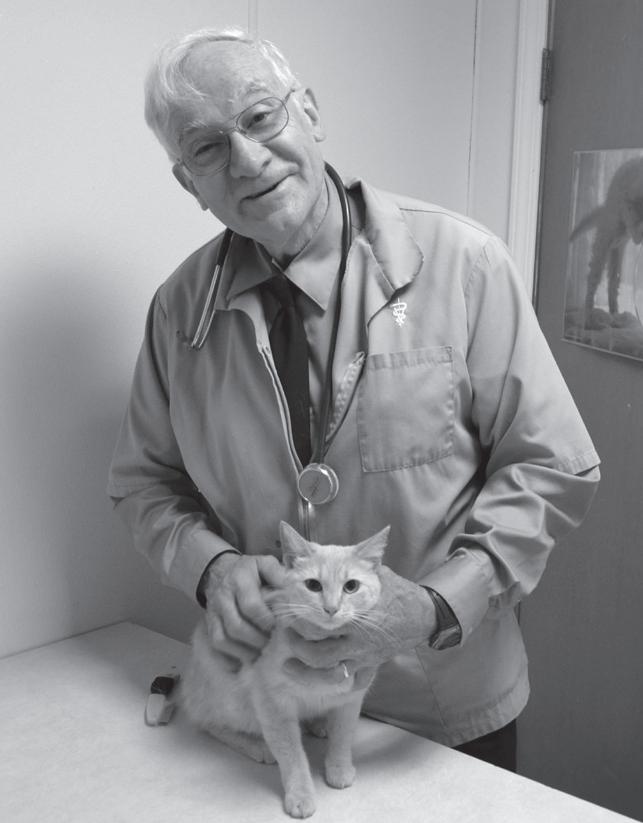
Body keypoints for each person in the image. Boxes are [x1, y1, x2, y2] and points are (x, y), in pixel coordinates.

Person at [108, 26, 600, 772]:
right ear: (188, 183)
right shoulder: (178, 312)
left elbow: (552, 466)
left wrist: (438, 605)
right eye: (206, 147)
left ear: (308, 111)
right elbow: (144, 485)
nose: (247, 159)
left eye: (260, 117)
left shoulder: (464, 265)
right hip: (271, 699)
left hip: (438, 711)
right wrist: (211, 569)